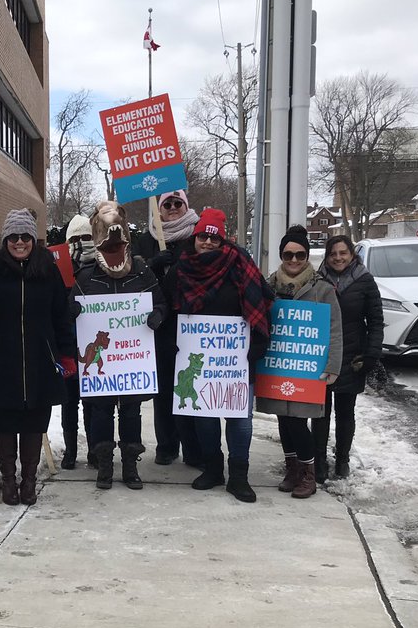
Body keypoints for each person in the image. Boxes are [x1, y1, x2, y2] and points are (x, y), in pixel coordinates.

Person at [164, 209, 274, 503]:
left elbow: (262, 301)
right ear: (195, 237)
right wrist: (176, 343)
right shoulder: (181, 269)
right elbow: (168, 309)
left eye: (214, 238)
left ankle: (239, 476)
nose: (208, 242)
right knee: (205, 418)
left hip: (237, 359)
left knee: (240, 419)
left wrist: (258, 345)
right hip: (198, 359)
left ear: (222, 240)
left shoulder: (241, 265)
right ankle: (213, 468)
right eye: (203, 236)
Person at [0, 209, 76, 505]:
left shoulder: (48, 269)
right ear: (6, 239)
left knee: (34, 421)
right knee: (3, 421)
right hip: (0, 359)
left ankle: (29, 480)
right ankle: (8, 480)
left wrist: (66, 355)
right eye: (14, 237)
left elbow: (61, 316)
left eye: (25, 236)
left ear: (34, 238)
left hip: (40, 360)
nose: (20, 242)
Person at [75, 200, 168, 491]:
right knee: (101, 412)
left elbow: (162, 302)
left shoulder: (141, 272)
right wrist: (73, 311)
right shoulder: (87, 276)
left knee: (131, 412)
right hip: (104, 366)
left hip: (131, 361)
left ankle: (130, 464)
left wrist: (157, 316)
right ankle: (104, 464)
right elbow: (70, 309)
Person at [256, 224, 343, 499]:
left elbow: (335, 330)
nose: (294, 260)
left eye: (300, 255)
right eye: (288, 255)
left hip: (308, 369)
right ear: (281, 256)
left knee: (298, 421)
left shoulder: (323, 289)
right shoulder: (268, 286)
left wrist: (332, 366)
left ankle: (308, 473)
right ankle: (292, 468)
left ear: (308, 256)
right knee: (283, 419)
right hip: (278, 364)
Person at [134, 190, 205, 467]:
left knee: (188, 385)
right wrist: (153, 264)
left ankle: (193, 447)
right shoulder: (146, 239)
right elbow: (133, 277)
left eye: (178, 203)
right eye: (167, 204)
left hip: (191, 322)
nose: (173, 208)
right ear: (159, 209)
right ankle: (166, 445)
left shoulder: (196, 236)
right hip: (159, 324)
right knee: (164, 388)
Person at [313, 235, 384, 482]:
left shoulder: (365, 281)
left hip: (353, 354)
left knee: (346, 412)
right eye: (333, 254)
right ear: (327, 256)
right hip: (323, 354)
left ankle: (342, 459)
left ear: (352, 254)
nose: (338, 258)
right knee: (320, 412)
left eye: (343, 253)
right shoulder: (317, 280)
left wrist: (372, 354)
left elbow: (375, 321)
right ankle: (318, 460)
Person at [59, 213, 96, 470]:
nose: (81, 243)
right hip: (69, 347)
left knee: (94, 406)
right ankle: (70, 450)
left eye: (87, 238)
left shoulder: (103, 267)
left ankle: (96, 450)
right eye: (76, 239)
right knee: (69, 403)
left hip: (93, 350)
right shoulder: (59, 270)